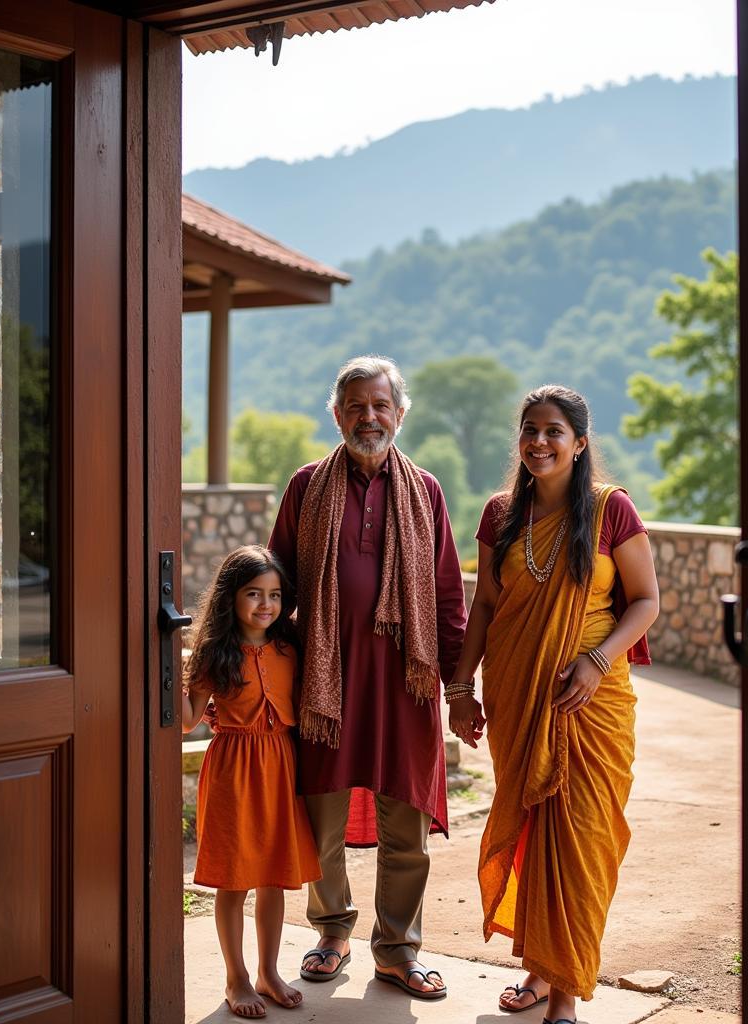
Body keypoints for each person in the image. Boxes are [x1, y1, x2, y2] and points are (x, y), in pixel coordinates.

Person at [447, 384, 659, 1024]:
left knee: (581, 837)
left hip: (589, 699)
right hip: (517, 693)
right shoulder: (500, 514)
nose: (539, 442)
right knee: (535, 830)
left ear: (580, 443)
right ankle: (540, 972)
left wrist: (597, 662)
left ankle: (563, 993)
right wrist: (460, 689)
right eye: (529, 430)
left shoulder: (610, 511)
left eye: (553, 431)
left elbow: (646, 600)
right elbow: (485, 606)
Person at [268, 355, 466, 1000]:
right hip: (325, 679)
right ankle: (330, 930)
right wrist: (256, 667)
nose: (368, 417)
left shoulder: (426, 491)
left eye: (380, 405)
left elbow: (444, 594)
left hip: (405, 683)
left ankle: (399, 949)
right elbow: (277, 586)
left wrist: (459, 686)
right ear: (336, 415)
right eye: (355, 406)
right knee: (319, 812)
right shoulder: (306, 487)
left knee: (404, 818)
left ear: (400, 414)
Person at [182, 545, 321, 1019]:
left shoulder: (289, 647)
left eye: (275, 595)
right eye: (254, 594)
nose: (266, 604)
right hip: (232, 773)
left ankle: (268, 971)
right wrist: (161, 671)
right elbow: (184, 722)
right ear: (231, 598)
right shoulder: (213, 654)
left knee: (274, 879)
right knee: (234, 881)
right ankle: (236, 977)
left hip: (281, 769)